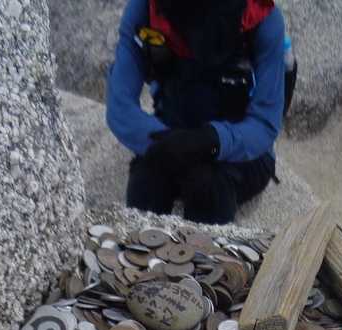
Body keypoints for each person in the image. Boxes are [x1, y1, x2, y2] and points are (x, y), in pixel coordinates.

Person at [106, 0, 286, 225]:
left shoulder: (263, 20)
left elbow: (266, 124)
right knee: (147, 182)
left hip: (236, 154)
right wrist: (164, 142)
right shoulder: (146, 9)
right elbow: (120, 107)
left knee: (208, 187)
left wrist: (211, 141)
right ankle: (137, 244)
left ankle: (208, 246)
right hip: (169, 137)